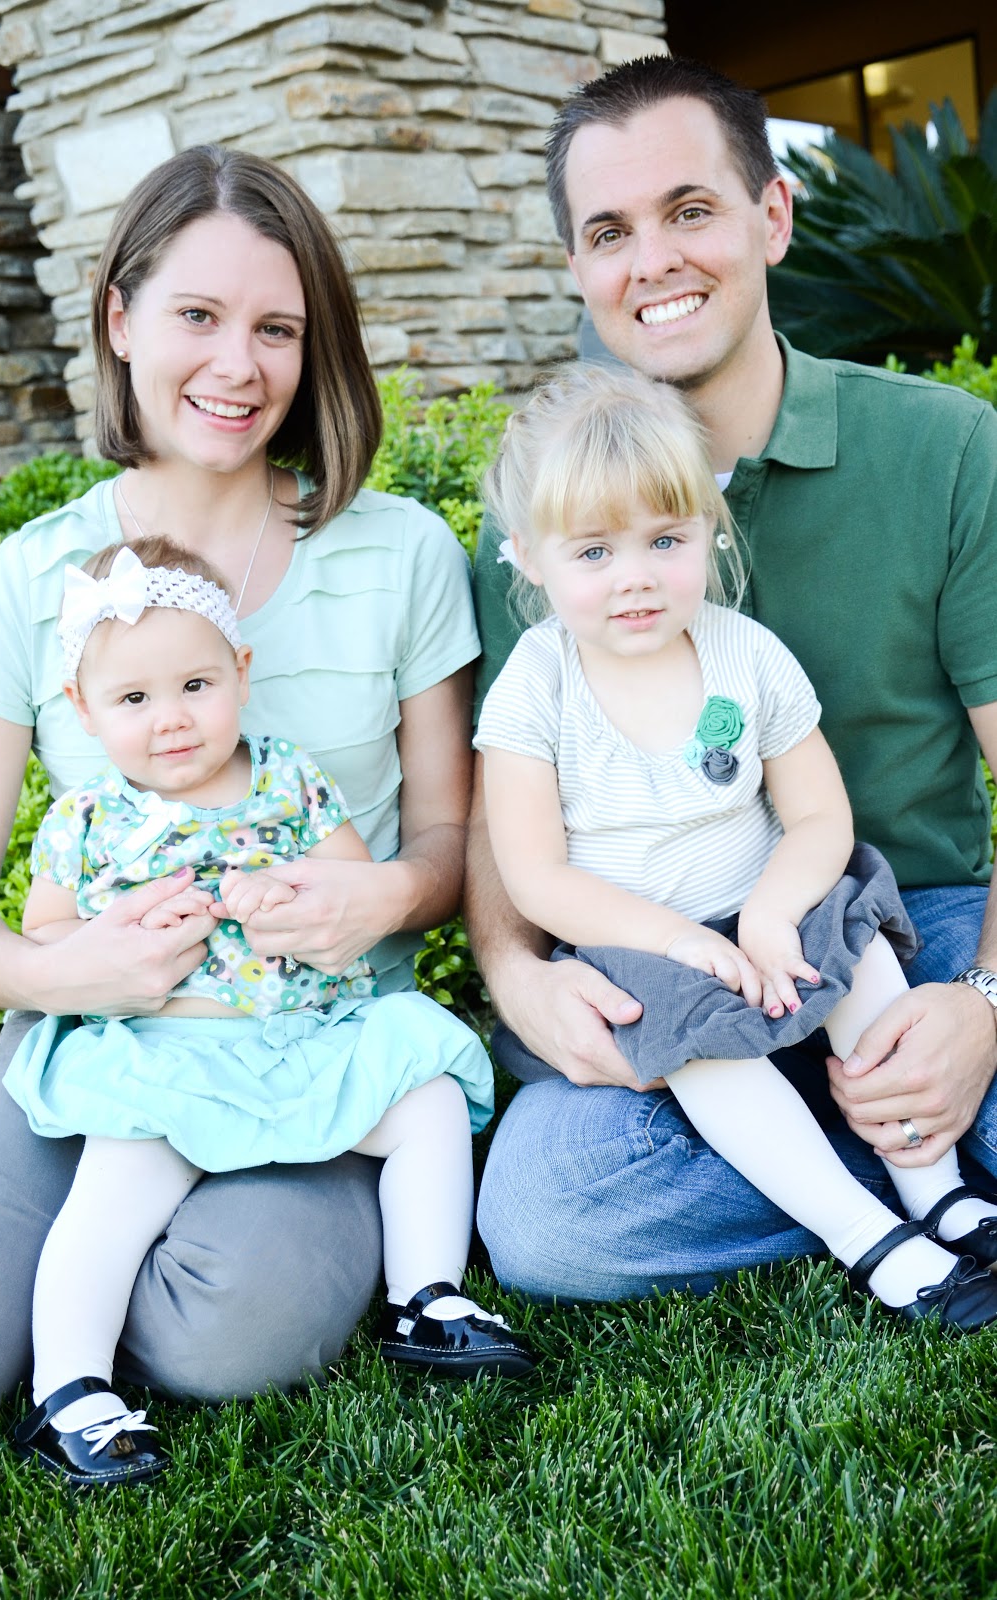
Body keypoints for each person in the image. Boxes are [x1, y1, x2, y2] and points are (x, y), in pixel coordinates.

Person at [0, 143, 486, 1429]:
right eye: (198, 315)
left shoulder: (402, 554)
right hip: (95, 1036)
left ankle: (108, 1269)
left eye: (276, 329)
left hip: (314, 1030)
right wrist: (63, 973)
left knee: (231, 1328)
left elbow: (456, 836)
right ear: (121, 319)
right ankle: (68, 1268)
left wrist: (386, 895)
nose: (238, 365)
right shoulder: (24, 587)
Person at [468, 55, 997, 1302]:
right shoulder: (538, 527)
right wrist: (515, 976)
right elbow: (510, 824)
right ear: (578, 268)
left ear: (771, 215)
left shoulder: (943, 446)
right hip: (657, 958)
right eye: (610, 232)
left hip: (901, 927)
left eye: (690, 210)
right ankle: (884, 1183)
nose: (653, 260)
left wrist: (982, 1004)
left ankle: (897, 1140)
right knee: (549, 1215)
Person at [2, 537, 532, 1485]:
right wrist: (117, 936)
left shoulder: (289, 777)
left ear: (240, 674)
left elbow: (354, 891)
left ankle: (428, 1297)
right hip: (165, 1052)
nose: (171, 718)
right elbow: (46, 939)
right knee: (113, 1192)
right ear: (83, 710)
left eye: (195, 686)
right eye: (133, 699)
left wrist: (290, 894)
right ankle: (69, 1390)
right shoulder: (86, 819)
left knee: (428, 1101)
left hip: (303, 1040)